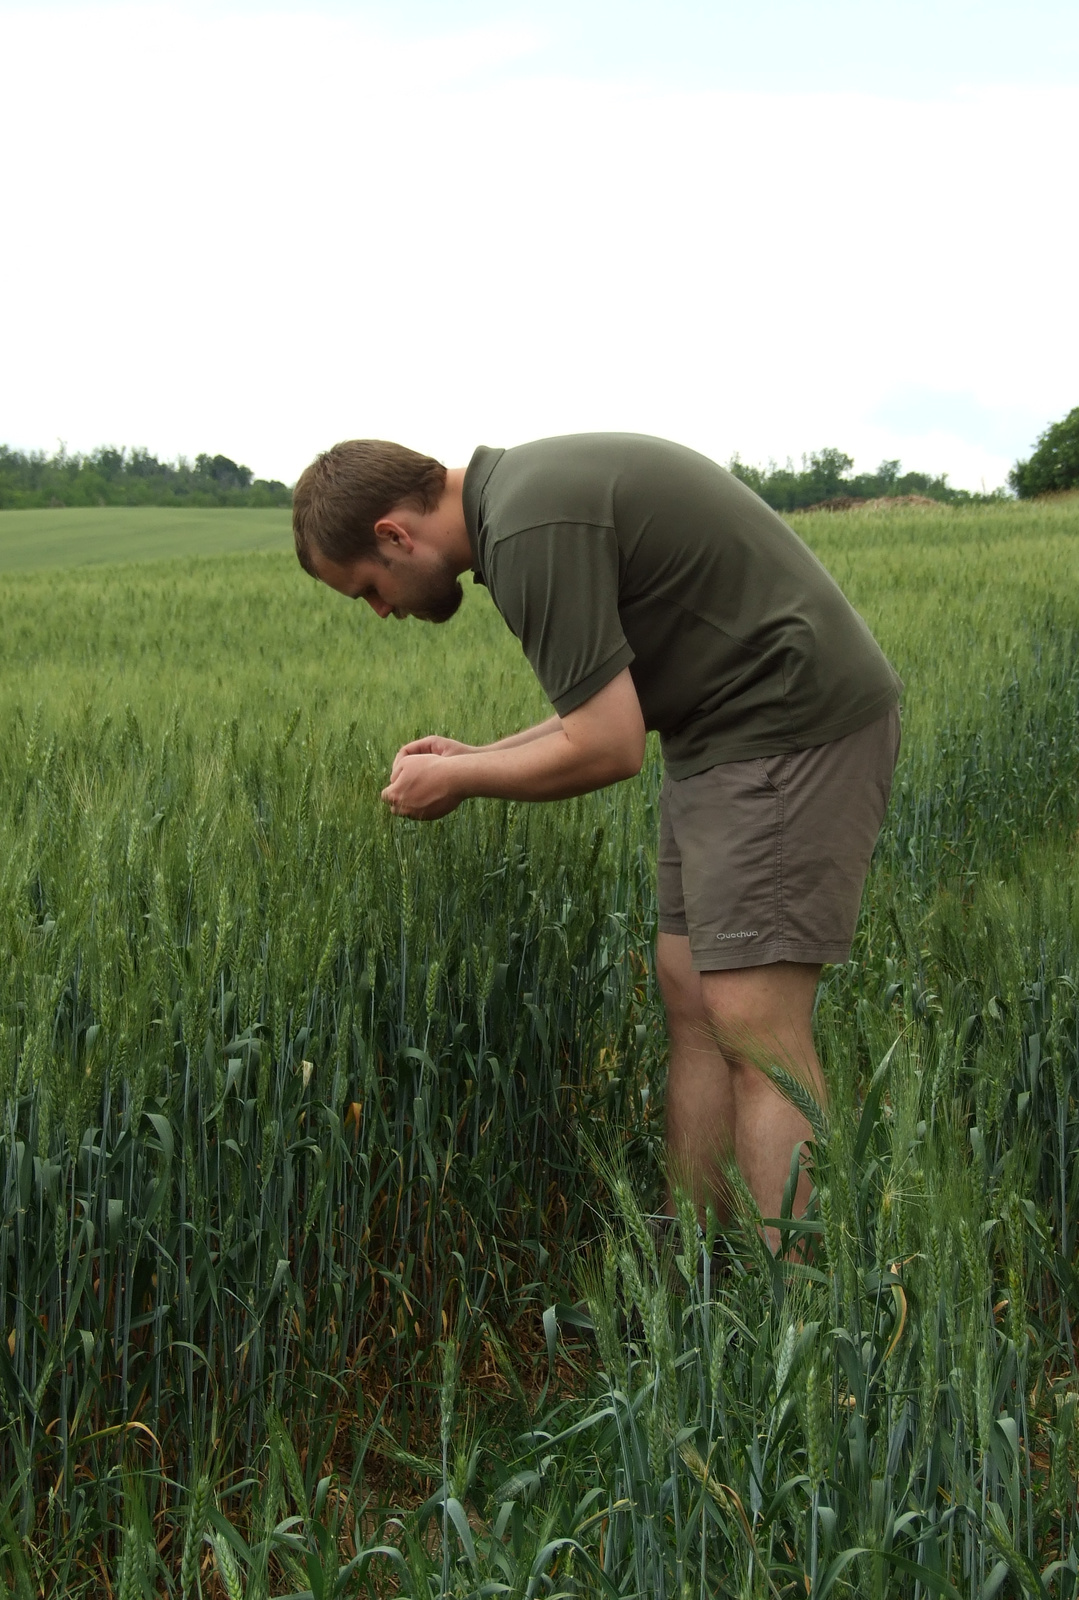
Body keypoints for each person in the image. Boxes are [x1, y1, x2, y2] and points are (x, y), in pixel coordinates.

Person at [292, 432, 901, 1241]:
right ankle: (696, 1272)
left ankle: (812, 1319)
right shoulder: (522, 503)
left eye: (368, 588)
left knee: (757, 1028)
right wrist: (483, 755)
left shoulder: (526, 529)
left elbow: (608, 749)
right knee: (691, 996)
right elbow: (606, 704)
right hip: (722, 736)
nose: (381, 611)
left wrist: (461, 782)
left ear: (395, 535)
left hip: (785, 727)